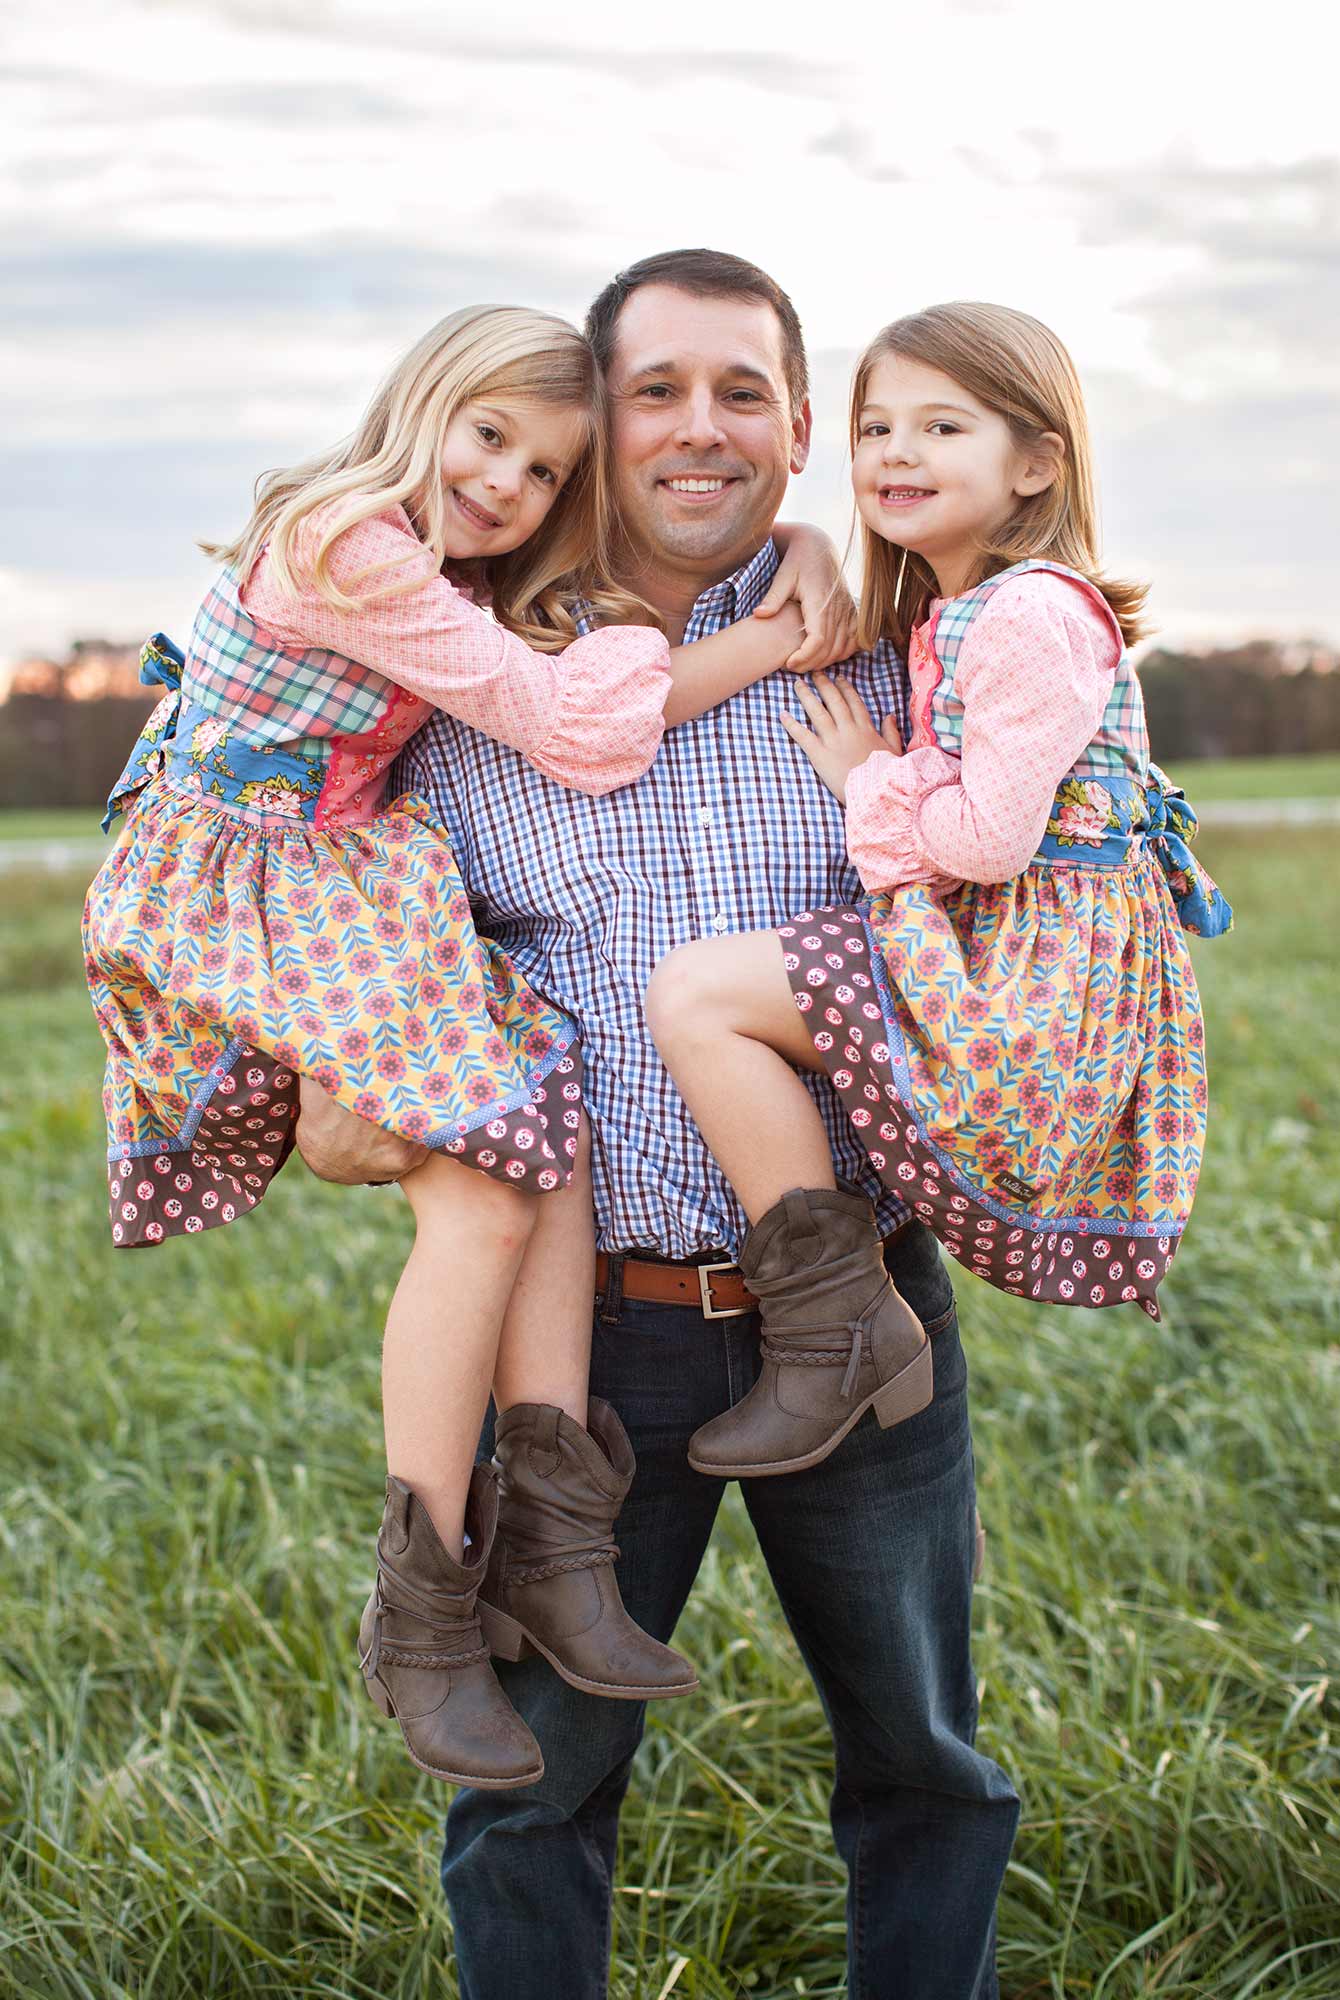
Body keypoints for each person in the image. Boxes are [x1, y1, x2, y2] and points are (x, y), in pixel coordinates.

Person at [361, 252, 1018, 2000]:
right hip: (592, 1348)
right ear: (597, 423)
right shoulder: (470, 686)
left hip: (861, 1306)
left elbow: (1032, 935)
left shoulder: (901, 672)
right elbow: (353, 1053)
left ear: (801, 428)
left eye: (742, 392)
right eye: (655, 389)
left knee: (925, 1762)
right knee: (533, 1794)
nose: (699, 428)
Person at [81, 304, 851, 1793]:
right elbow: (569, 728)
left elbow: (588, 635)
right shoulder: (349, 543)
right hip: (254, 884)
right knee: (486, 1193)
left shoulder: (456, 569)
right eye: (489, 437)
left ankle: (557, 1542)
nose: (507, 483)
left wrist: (801, 544)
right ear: (421, 403)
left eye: (547, 469)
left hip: (339, 877)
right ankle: (423, 1604)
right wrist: (766, 635)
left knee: (542, 1107)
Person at [647, 301, 1232, 1482]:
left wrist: (872, 776)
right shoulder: (959, 611)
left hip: (1025, 976)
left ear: (1034, 463)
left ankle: (840, 1326)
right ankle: (839, 1320)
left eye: (941, 426)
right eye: (874, 428)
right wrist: (805, 547)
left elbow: (987, 840)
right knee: (704, 994)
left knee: (698, 995)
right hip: (1009, 950)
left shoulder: (1026, 613)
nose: (895, 453)